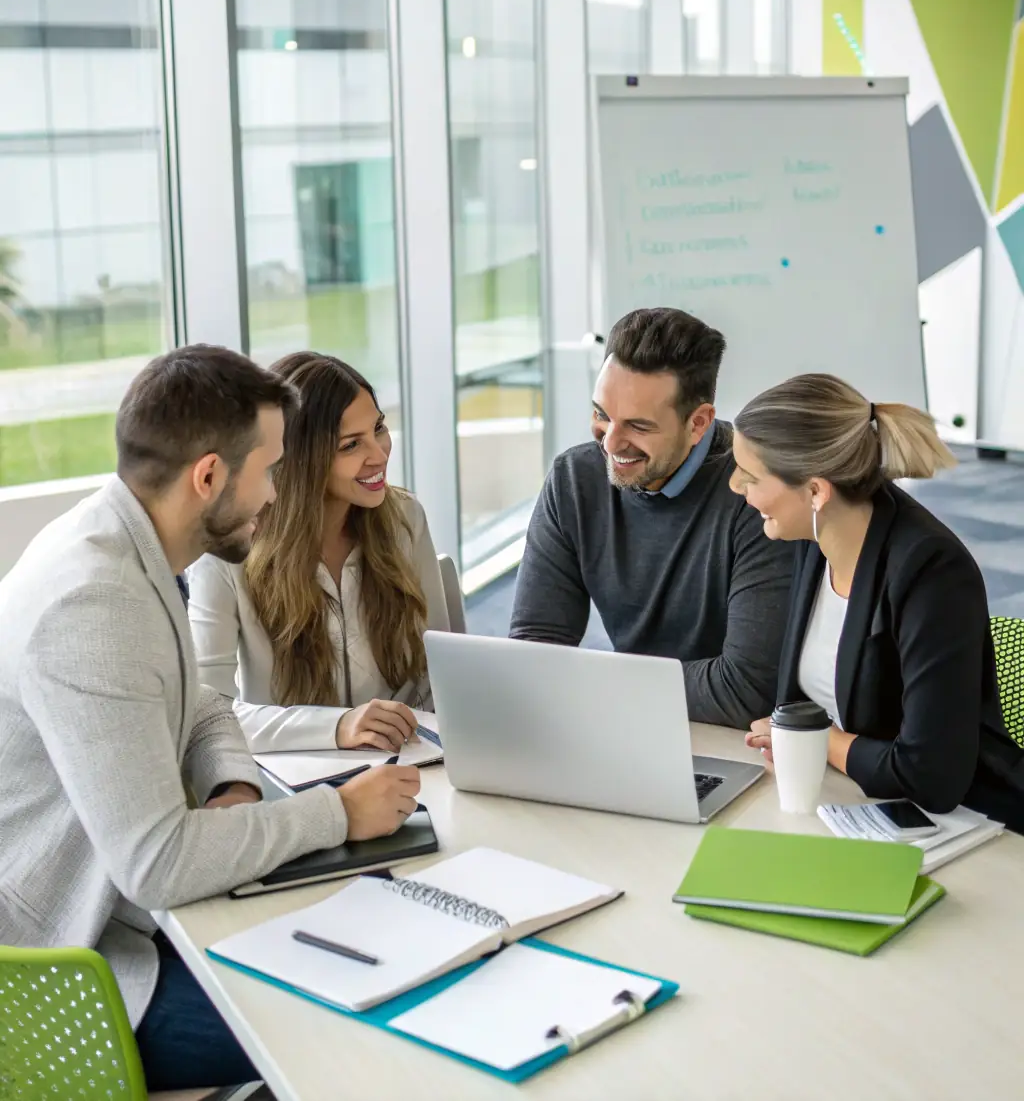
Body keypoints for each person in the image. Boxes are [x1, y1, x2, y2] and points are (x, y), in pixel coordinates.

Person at [0, 346, 420, 1091]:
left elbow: (202, 702)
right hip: (68, 968)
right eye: (268, 471)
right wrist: (337, 814)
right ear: (209, 477)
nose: (275, 493)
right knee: (359, 1018)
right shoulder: (91, 605)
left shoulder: (128, 541)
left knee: (363, 947)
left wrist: (234, 784)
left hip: (126, 918)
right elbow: (157, 861)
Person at [731, 373, 1024, 831]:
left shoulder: (931, 571)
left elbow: (930, 775)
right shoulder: (815, 539)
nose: (734, 486)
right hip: (847, 801)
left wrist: (814, 740)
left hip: (959, 823)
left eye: (750, 476)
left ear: (815, 491)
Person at [510, 307, 794, 728]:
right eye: (602, 414)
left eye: (637, 426)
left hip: (747, 745)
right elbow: (535, 655)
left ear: (697, 423)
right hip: (636, 723)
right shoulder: (575, 479)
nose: (610, 443)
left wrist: (592, 682)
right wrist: (621, 688)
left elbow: (745, 690)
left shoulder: (757, 493)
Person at [188, 351, 449, 754]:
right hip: (295, 782)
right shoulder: (226, 550)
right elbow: (206, 714)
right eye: (351, 445)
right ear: (298, 458)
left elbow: (444, 671)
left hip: (409, 764)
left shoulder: (405, 518)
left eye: (378, 427)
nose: (379, 454)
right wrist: (337, 727)